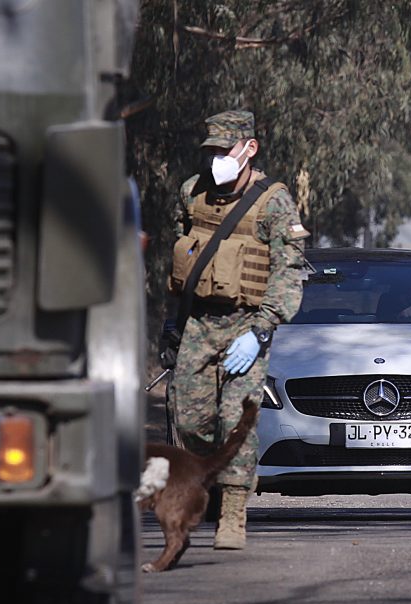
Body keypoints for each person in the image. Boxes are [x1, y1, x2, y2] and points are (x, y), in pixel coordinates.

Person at [169, 110, 309, 549]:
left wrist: (262, 329)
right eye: (210, 151)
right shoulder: (192, 194)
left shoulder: (274, 202)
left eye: (224, 151)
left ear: (249, 148)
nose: (216, 160)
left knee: (236, 419)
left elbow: (288, 272)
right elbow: (183, 259)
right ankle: (220, 471)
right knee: (189, 418)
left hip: (247, 323)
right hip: (199, 322)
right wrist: (171, 324)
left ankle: (232, 514)